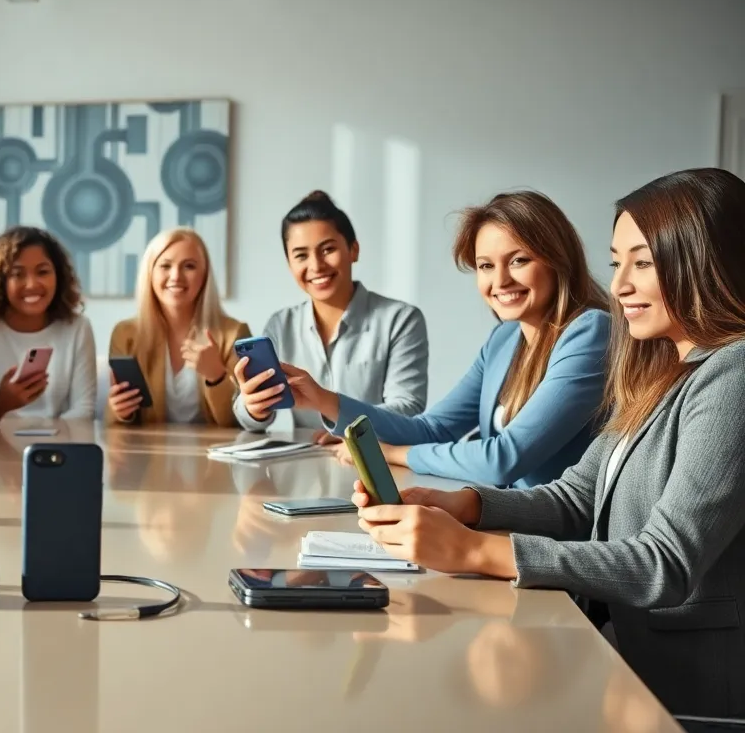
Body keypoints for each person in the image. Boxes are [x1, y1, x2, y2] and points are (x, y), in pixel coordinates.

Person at [351, 168, 745, 718]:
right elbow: (576, 498)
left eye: (644, 261)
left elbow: (663, 563)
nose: (622, 284)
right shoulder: (661, 371)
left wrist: (473, 550)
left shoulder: (734, 372)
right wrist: (463, 505)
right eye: (616, 262)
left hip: (701, 690)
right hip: (634, 661)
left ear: (705, 261)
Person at [318, 191, 611, 487]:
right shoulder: (504, 339)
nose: (500, 281)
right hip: (502, 515)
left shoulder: (591, 333)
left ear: (558, 260)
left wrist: (394, 454)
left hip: (555, 531)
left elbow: (503, 459)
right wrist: (321, 399)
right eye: (486, 266)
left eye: (519, 260)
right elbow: (432, 429)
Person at [234, 191, 428, 436]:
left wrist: (345, 426)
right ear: (289, 264)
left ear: (353, 250)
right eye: (301, 255)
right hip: (303, 465)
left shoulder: (401, 320)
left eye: (327, 249)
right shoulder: (280, 325)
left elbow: (407, 409)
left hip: (376, 464)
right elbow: (250, 419)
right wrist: (253, 407)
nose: (316, 265)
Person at [105, 228, 250, 425]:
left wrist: (216, 375)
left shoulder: (234, 334)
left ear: (205, 275)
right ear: (150, 274)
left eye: (189, 266)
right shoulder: (126, 334)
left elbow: (240, 423)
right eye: (165, 266)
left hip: (212, 452)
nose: (175, 276)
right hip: (150, 453)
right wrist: (120, 412)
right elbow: (115, 427)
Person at [0, 226, 96, 422]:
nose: (31, 284)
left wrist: (44, 439)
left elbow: (84, 409)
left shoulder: (78, 327)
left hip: (59, 443)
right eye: (17, 274)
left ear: (58, 276)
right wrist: (2, 403)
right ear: (0, 281)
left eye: (42, 272)